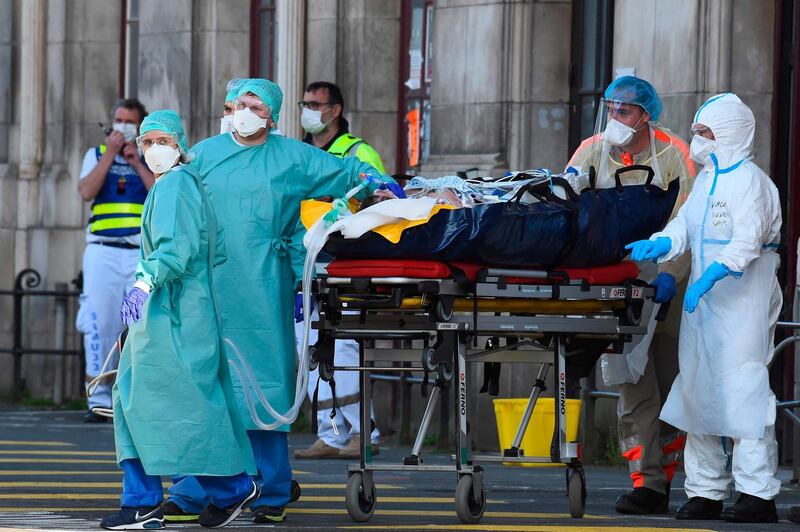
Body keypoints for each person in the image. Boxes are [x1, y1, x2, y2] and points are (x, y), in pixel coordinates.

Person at [163, 79, 395, 524]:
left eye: (254, 106)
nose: (243, 113)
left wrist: (376, 188)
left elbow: (351, 173)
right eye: (237, 105)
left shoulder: (292, 156)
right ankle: (192, 490)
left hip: (262, 286)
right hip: (206, 286)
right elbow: (178, 206)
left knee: (264, 386)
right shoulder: (203, 155)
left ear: (271, 115)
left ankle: (271, 490)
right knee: (203, 385)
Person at [627, 93, 782, 523]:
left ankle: (757, 492)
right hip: (705, 306)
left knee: (742, 391)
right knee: (697, 389)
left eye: (706, 132)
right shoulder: (709, 180)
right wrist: (664, 242)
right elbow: (686, 225)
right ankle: (705, 490)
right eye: (696, 131)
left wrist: (714, 275)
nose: (698, 140)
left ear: (730, 133)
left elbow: (746, 243)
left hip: (743, 302)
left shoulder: (751, 182)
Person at [101, 110, 258, 530]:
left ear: (180, 143)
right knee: (162, 405)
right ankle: (195, 493)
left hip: (172, 317)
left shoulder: (174, 188)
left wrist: (145, 284)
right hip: (179, 313)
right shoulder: (185, 186)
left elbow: (174, 250)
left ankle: (152, 500)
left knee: (152, 406)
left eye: (160, 141)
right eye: (146, 141)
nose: (153, 149)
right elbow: (213, 250)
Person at [567, 76, 696, 514]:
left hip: (669, 279)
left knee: (673, 377)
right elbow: (567, 203)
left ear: (646, 114)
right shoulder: (592, 151)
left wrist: (669, 276)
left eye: (624, 110)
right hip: (616, 279)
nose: (615, 118)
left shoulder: (676, 155)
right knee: (631, 382)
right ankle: (648, 482)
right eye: (610, 108)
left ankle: (676, 473)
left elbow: (689, 224)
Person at [294, 81, 386, 459]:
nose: (309, 110)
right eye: (306, 103)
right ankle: (330, 433)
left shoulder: (359, 152)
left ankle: (364, 431)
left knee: (345, 346)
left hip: (346, 260)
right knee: (310, 346)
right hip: (305, 261)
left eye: (316, 104)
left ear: (335, 110)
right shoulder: (299, 152)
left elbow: (380, 198)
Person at [77, 98, 155, 423]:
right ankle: (98, 397)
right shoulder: (95, 155)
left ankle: (138, 397)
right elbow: (85, 191)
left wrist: (138, 162)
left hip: (139, 252)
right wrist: (110, 155)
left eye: (130, 122)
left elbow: (161, 194)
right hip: (103, 250)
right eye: (119, 120)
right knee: (100, 321)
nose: (123, 126)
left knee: (142, 324)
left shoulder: (152, 157)